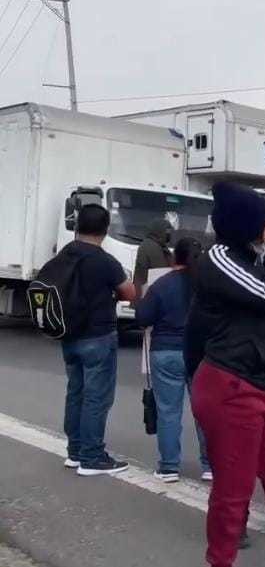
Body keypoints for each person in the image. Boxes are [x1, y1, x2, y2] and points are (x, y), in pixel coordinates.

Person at [185, 181, 265, 567]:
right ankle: (220, 560)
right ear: (246, 223)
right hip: (232, 387)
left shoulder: (251, 260)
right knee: (234, 489)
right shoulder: (219, 258)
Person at [60, 204, 136, 476]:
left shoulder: (64, 255)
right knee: (97, 398)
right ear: (106, 230)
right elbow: (129, 293)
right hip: (98, 335)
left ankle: (75, 452)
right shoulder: (104, 261)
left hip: (68, 334)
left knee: (76, 392)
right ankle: (92, 458)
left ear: (78, 226)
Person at [134, 237, 210, 483]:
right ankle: (210, 465)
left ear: (174, 258)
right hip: (200, 354)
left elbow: (142, 316)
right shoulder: (207, 287)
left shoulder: (162, 284)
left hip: (165, 351)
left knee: (168, 411)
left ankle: (168, 467)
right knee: (204, 413)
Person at [134, 219, 173, 298]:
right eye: (167, 232)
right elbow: (161, 270)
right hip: (148, 294)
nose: (169, 234)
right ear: (159, 231)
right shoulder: (151, 246)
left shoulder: (158, 245)